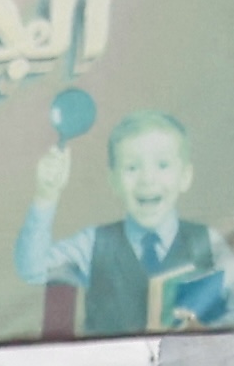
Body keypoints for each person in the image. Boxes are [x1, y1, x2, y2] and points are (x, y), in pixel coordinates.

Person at [20, 111, 228, 340]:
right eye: (131, 168)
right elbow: (33, 270)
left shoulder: (208, 241)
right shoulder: (93, 243)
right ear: (113, 182)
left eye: (163, 165)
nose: (147, 179)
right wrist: (45, 196)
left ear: (185, 176)